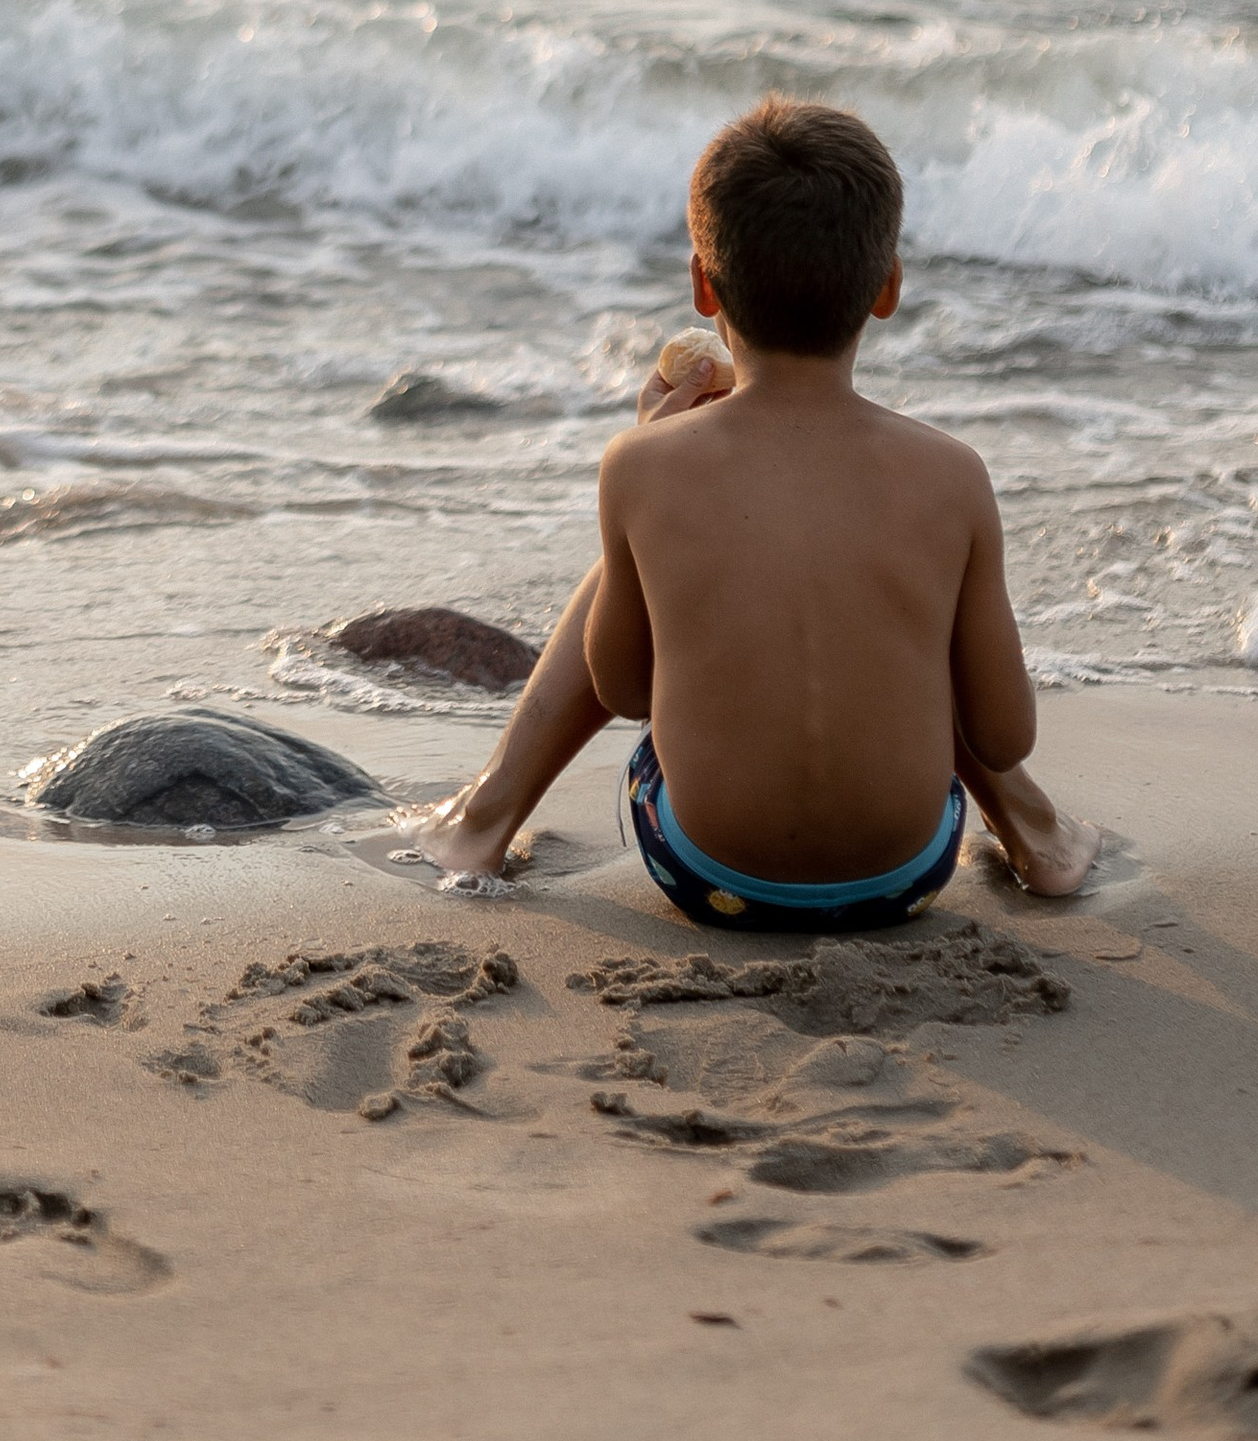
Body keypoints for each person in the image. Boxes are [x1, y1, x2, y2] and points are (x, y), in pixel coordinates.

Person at [391, 96, 1099, 920]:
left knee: (649, 547)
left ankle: (482, 822)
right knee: (909, 588)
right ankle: (1035, 830)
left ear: (702, 283)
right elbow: (1004, 734)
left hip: (709, 874)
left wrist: (652, 463)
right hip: (904, 878)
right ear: (888, 287)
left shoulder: (643, 465)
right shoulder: (952, 474)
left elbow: (625, 689)